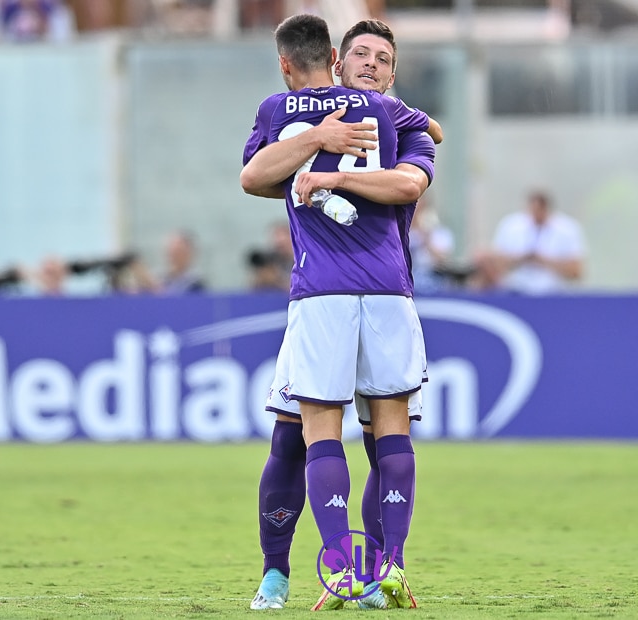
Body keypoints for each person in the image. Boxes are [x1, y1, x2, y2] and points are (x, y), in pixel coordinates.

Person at [241, 15, 437, 611]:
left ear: (393, 73)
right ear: (336, 60)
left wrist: (324, 167)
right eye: (362, 54)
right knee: (290, 439)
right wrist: (318, 138)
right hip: (336, 292)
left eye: (383, 57)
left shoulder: (397, 121)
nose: (372, 63)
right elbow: (256, 176)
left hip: (361, 292)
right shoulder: (300, 115)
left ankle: (371, 572)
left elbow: (413, 174)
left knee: (367, 439)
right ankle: (278, 572)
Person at [490, 189, 586, 295]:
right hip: (516, 291)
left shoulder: (567, 229)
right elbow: (496, 264)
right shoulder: (510, 226)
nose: (536, 214)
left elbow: (576, 271)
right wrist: (522, 259)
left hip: (555, 293)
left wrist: (543, 261)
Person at [407, 196, 454, 294]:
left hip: (432, 282)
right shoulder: (399, 233)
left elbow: (443, 261)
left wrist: (426, 238)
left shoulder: (439, 233)